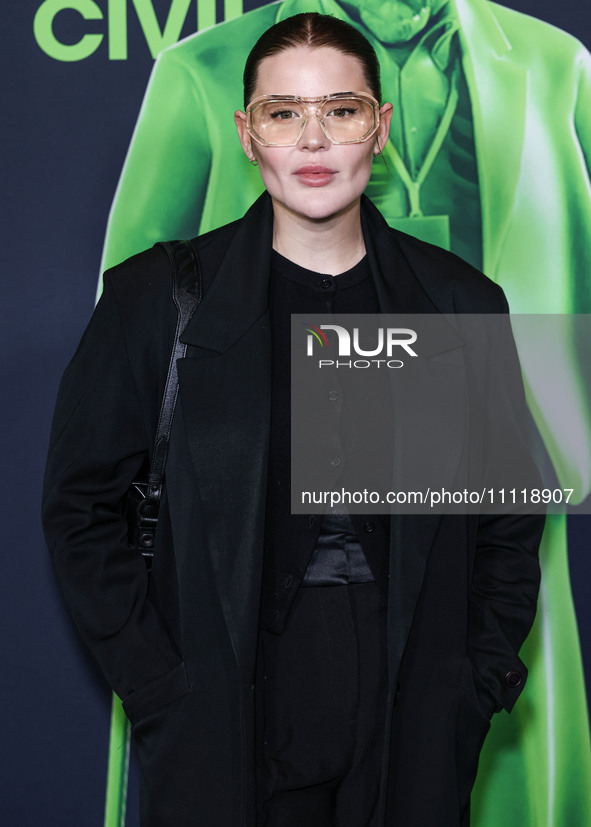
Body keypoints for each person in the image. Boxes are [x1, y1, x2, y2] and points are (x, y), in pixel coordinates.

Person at [44, 13, 544, 826]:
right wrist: (159, 685)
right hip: (223, 718)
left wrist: (471, 683)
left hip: (409, 725)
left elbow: (509, 517)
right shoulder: (158, 300)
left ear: (377, 129)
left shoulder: (457, 304)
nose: (313, 139)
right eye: (284, 113)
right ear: (247, 135)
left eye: (340, 109)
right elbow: (79, 507)